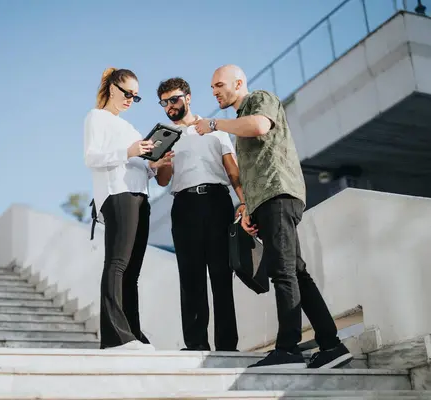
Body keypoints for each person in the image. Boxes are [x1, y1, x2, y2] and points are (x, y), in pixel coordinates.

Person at [191, 64, 353, 368]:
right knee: (296, 272)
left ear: (238, 83)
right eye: (212, 87)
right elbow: (254, 167)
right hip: (266, 202)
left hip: (279, 196)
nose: (214, 92)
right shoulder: (239, 120)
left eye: (218, 85)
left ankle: (288, 349)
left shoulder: (259, 99)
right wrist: (250, 208)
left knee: (283, 273)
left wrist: (214, 125)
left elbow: (260, 127)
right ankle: (331, 345)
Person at [84, 67, 172, 351]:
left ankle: (132, 334)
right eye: (127, 93)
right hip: (116, 194)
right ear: (112, 88)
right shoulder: (96, 117)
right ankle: (115, 337)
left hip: (139, 195)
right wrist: (129, 152)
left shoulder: (130, 128)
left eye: (136, 97)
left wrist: (153, 165)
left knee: (132, 271)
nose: (130, 100)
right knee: (118, 263)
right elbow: (91, 158)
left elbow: (138, 168)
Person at [154, 77, 245, 351]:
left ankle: (228, 346)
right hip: (183, 206)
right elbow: (161, 180)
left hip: (217, 203)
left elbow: (233, 172)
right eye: (164, 102)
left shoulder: (216, 130)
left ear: (188, 97)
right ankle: (195, 344)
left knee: (221, 275)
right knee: (190, 277)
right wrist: (165, 159)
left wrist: (245, 203)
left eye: (174, 99)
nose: (169, 106)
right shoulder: (163, 135)